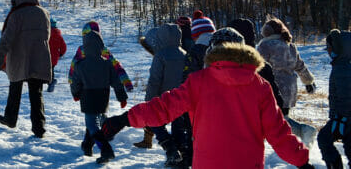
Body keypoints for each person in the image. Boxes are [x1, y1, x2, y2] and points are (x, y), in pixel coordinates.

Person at [97, 43, 314, 169]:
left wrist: (124, 119)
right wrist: (302, 162)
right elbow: (278, 133)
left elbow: (162, 108)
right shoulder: (260, 86)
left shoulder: (199, 81)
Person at [0, 0, 52, 138]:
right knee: (36, 94)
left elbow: (7, 39)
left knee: (15, 89)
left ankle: (11, 119)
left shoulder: (16, 15)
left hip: (19, 58)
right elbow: (47, 36)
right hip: (39, 58)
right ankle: (39, 128)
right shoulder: (44, 13)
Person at [68, 21, 128, 164]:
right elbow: (116, 81)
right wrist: (122, 97)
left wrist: (76, 94)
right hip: (103, 98)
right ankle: (87, 145)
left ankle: (106, 150)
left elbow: (75, 82)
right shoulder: (107, 63)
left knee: (92, 125)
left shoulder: (80, 65)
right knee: (95, 120)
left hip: (87, 98)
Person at [142, 23, 187, 166]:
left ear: (160, 38)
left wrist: (149, 100)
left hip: (164, 98)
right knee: (179, 126)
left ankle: (170, 149)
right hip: (182, 99)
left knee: (153, 121)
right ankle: (181, 156)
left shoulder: (160, 56)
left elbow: (154, 80)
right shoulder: (185, 54)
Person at [257, 18, 315, 116]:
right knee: (284, 118)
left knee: (271, 119)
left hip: (273, 89)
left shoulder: (265, 45)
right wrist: (308, 81)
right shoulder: (290, 46)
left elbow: (258, 66)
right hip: (289, 89)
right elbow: (300, 66)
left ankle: (299, 130)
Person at [318, 29, 351, 169]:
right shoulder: (341, 64)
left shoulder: (343, 68)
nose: (328, 51)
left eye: (329, 48)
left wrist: (340, 119)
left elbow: (346, 97)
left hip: (345, 118)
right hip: (341, 117)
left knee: (324, 139)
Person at [47, 18, 67, 92]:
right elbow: (64, 47)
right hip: (54, 58)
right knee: (51, 69)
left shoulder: (46, 33)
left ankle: (51, 82)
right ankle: (51, 81)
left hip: (45, 56)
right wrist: (61, 54)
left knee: (45, 70)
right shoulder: (59, 35)